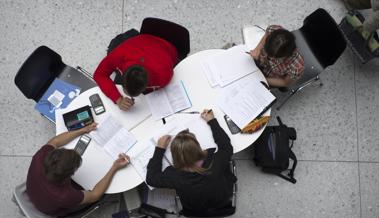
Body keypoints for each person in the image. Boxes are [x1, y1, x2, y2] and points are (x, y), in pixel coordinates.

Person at [26, 123, 130, 216]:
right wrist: (114, 168)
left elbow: (55, 141)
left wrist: (83, 130)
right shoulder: (65, 196)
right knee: (103, 195)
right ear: (69, 176)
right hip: (49, 209)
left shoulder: (40, 156)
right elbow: (94, 195)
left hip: (33, 190)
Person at [146, 109, 237, 216]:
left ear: (175, 156)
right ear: (198, 147)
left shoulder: (173, 176)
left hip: (193, 211)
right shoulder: (216, 161)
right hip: (223, 203)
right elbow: (226, 146)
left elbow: (151, 179)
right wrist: (212, 121)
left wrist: (159, 149)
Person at [93, 34, 178, 111]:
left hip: (167, 49)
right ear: (123, 74)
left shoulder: (163, 76)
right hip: (140, 42)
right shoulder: (118, 55)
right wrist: (118, 99)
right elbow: (99, 75)